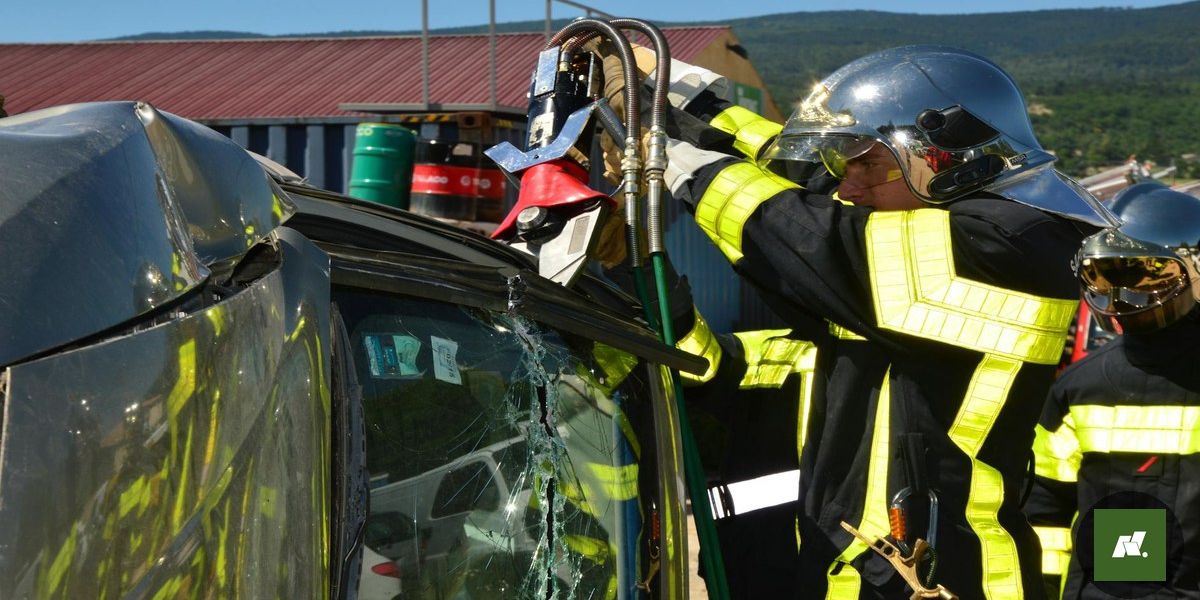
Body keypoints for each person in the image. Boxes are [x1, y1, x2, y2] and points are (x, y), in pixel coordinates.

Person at [602, 45, 1114, 599]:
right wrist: (677, 96)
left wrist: (663, 154)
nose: (847, 188)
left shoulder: (1011, 247)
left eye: (868, 164)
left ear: (944, 159)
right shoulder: (915, 248)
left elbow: (803, 234)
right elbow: (797, 176)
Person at [1025, 182, 1200, 599]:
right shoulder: (1078, 390)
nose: (1119, 294)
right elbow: (1044, 511)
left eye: (1138, 272)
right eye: (1103, 275)